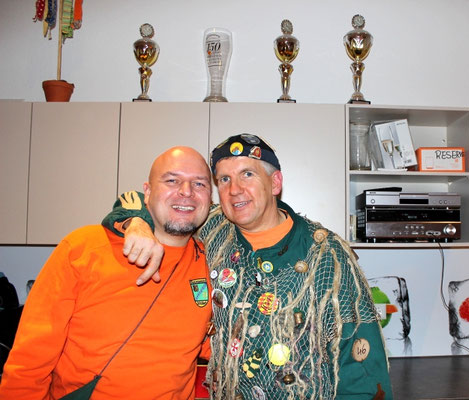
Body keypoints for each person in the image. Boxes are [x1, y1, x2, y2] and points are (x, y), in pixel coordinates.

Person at [103, 133, 393, 399]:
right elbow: (149, 200)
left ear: (275, 183)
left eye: (247, 174)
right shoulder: (210, 229)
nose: (235, 190)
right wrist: (136, 223)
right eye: (224, 179)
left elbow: (362, 365)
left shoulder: (326, 255)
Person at [0, 147, 213, 399]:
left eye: (199, 183)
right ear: (146, 192)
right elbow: (29, 359)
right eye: (172, 180)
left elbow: (212, 344)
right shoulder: (84, 248)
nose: (186, 191)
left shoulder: (211, 265)